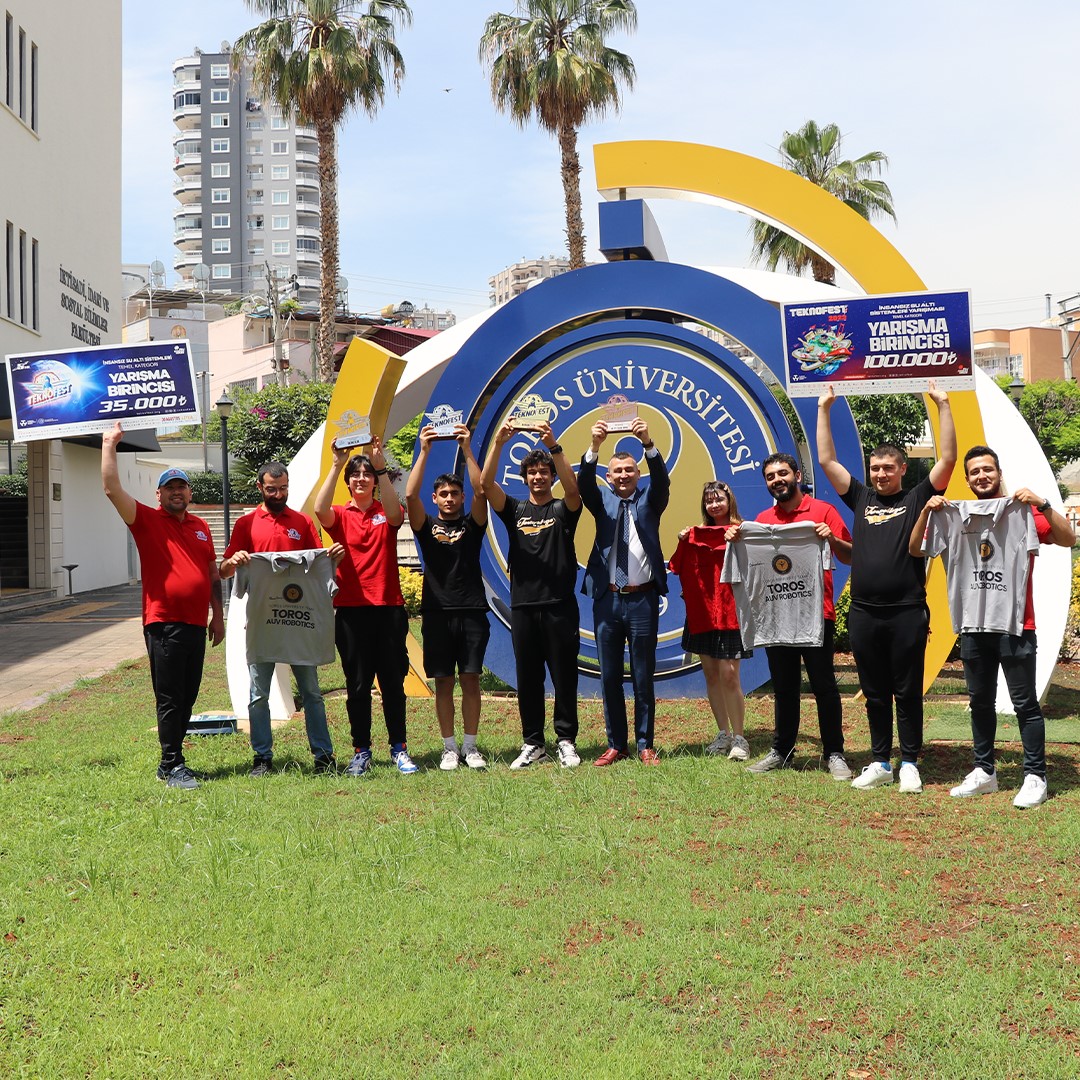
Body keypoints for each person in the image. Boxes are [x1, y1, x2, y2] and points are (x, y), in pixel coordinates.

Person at [910, 445, 1075, 807]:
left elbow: (1069, 539)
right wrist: (926, 510)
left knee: (1025, 704)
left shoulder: (1025, 511)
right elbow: (916, 550)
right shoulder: (951, 514)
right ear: (967, 479)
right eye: (974, 472)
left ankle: (1035, 776)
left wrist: (1044, 502)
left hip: (1015, 623)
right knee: (979, 702)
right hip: (972, 623)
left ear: (999, 473)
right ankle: (984, 771)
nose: (981, 476)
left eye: (987, 469)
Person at [817, 381, 956, 793]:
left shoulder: (916, 498)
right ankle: (880, 761)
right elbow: (826, 459)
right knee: (875, 693)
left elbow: (947, 457)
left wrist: (944, 404)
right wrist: (824, 407)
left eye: (887, 468)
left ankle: (909, 761)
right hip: (863, 612)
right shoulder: (860, 498)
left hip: (907, 611)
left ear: (901, 470)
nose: (879, 474)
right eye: (874, 468)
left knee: (907, 690)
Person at [101, 421, 224, 789]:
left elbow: (211, 572)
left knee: (188, 694)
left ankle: (174, 761)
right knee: (170, 696)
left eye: (181, 486)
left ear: (189, 492)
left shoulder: (201, 526)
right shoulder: (146, 520)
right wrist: (110, 443)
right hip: (164, 622)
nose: (176, 492)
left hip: (194, 623)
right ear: (159, 495)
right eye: (169, 487)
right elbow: (111, 487)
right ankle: (171, 764)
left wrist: (218, 617)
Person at [729, 453, 853, 779]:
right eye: (770, 476)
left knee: (824, 686)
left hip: (815, 615)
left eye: (782, 473)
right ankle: (782, 751)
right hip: (777, 616)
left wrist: (831, 537)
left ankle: (834, 753)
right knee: (784, 688)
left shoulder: (823, 512)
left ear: (797, 475)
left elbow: (849, 555)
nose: (777, 480)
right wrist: (736, 539)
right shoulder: (762, 520)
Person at [219, 461, 343, 777]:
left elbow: (317, 569)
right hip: (262, 623)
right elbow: (223, 570)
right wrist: (234, 561)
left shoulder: (301, 523)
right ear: (259, 487)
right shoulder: (246, 525)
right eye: (272, 489)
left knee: (312, 692)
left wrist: (332, 561)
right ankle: (262, 758)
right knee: (258, 694)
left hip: (298, 621)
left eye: (284, 488)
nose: (279, 494)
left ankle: (324, 757)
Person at [481, 421, 582, 769]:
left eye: (544, 473)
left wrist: (554, 445)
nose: (538, 477)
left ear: (550, 477)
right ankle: (533, 743)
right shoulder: (514, 510)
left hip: (560, 606)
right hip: (523, 605)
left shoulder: (562, 511)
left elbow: (573, 491)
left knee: (564, 675)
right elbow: (484, 484)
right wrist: (498, 442)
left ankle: (566, 740)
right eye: (532, 472)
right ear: (524, 478)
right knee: (528, 677)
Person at [313, 436, 414, 776]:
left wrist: (379, 462)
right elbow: (319, 509)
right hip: (352, 611)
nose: (361, 479)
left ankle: (399, 749)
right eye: (355, 475)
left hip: (388, 607)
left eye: (366, 474)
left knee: (392, 683)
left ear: (374, 480)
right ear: (348, 482)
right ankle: (362, 751)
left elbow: (395, 512)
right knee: (357, 685)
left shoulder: (385, 513)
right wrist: (338, 463)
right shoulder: (340, 514)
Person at [579, 418, 669, 766]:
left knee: (643, 675)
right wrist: (594, 447)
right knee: (610, 676)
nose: (622, 476)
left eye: (628, 470)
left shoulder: (650, 499)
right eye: (616, 471)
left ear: (637, 473)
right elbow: (584, 482)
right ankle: (616, 743)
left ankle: (646, 743)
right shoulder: (601, 501)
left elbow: (661, 479)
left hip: (643, 599)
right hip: (608, 598)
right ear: (609, 476)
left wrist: (648, 444)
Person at [405, 424, 490, 771]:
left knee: (470, 680)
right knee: (443, 682)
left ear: (461, 498)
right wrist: (423, 450)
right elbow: (410, 497)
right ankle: (449, 748)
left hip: (472, 611)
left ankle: (470, 747)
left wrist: (468, 450)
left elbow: (482, 491)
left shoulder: (473, 525)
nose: (451, 498)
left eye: (456, 493)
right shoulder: (425, 527)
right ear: (436, 499)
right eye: (444, 494)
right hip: (437, 613)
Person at [668, 481, 751, 761]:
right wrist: (683, 539)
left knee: (730, 674)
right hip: (702, 613)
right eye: (709, 501)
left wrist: (740, 539)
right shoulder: (692, 535)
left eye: (719, 499)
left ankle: (740, 738)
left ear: (730, 500)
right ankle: (723, 734)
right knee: (711, 674)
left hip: (731, 612)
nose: (714, 505)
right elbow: (676, 565)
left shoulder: (743, 531)